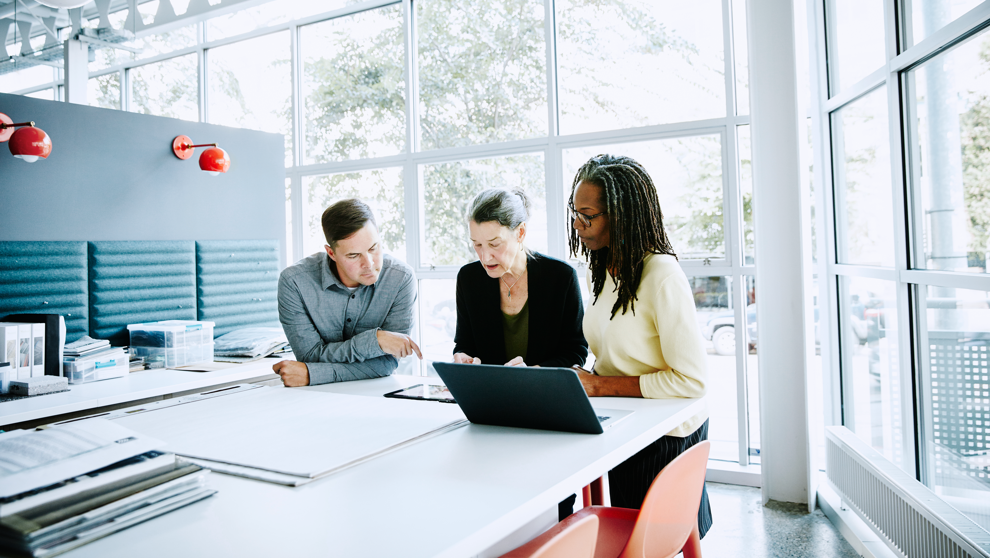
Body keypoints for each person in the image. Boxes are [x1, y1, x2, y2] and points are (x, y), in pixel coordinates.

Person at [568, 154, 711, 537]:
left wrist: (600, 386)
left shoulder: (662, 274)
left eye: (588, 215)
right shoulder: (602, 269)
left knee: (641, 539)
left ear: (621, 215)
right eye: (575, 213)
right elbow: (617, 353)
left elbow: (692, 382)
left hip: (665, 435)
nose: (578, 225)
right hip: (629, 420)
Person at [274, 198, 421, 387]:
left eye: (373, 248)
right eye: (353, 255)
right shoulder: (294, 282)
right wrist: (376, 341)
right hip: (315, 398)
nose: (369, 264)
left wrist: (313, 374)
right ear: (331, 253)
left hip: (375, 394)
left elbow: (386, 363)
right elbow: (310, 356)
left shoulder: (401, 278)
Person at [452, 188, 588, 369]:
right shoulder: (468, 279)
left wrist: (534, 374)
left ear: (521, 233)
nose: (485, 257)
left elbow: (575, 351)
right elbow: (464, 344)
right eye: (477, 244)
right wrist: (463, 356)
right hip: (487, 393)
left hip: (545, 393)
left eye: (494, 244)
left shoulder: (561, 277)